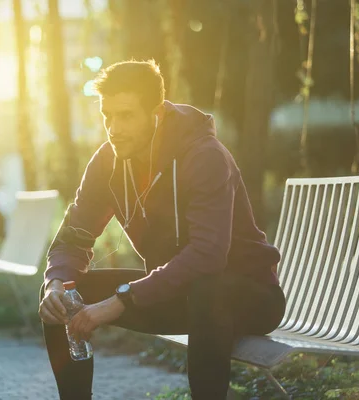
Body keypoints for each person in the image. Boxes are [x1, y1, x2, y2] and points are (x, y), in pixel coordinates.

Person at [38, 59, 286, 400]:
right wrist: (55, 284)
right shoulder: (108, 161)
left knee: (208, 289)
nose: (114, 128)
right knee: (66, 294)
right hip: (174, 294)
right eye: (107, 115)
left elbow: (207, 255)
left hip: (248, 296)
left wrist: (122, 299)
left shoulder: (203, 156)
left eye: (126, 115)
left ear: (156, 114)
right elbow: (72, 238)